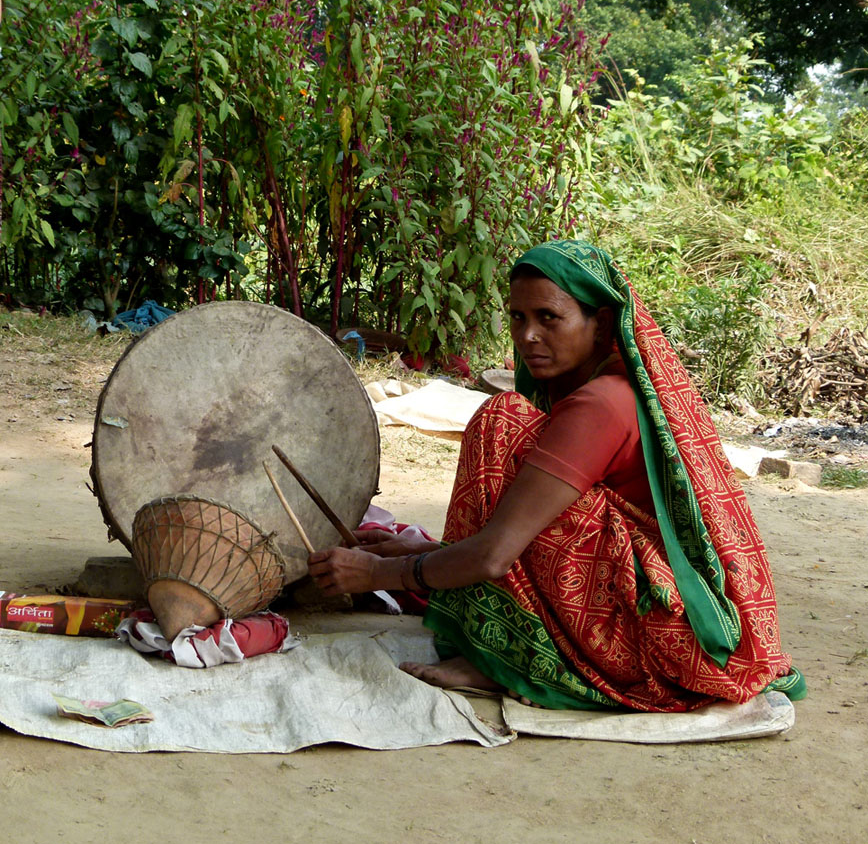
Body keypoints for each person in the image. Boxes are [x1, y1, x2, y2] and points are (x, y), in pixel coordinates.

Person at [308, 239, 805, 711]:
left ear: (602, 321)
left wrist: (377, 574)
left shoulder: (600, 405)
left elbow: (496, 555)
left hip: (651, 646)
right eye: (518, 317)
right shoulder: (617, 386)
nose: (527, 336)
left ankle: (507, 656)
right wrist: (426, 553)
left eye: (549, 317)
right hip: (683, 626)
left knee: (502, 423)